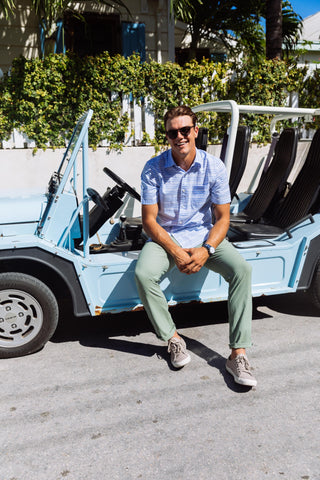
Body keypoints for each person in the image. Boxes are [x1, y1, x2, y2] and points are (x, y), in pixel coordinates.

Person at [134, 105, 257, 387]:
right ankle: (173, 339)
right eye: (172, 132)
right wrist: (176, 252)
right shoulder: (153, 168)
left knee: (242, 270)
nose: (179, 136)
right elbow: (149, 222)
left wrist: (206, 250)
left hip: (204, 236)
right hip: (166, 238)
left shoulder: (214, 167)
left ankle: (238, 353)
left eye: (185, 130)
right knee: (143, 274)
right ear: (167, 136)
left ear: (195, 131)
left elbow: (223, 217)